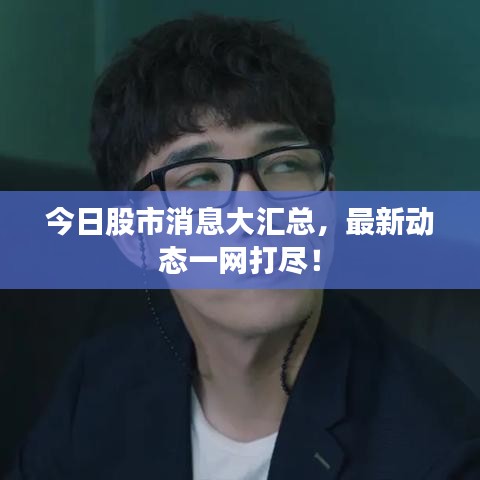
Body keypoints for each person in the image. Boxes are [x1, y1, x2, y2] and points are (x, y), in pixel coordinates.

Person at [8, 14, 480, 480]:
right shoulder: (99, 385)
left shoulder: (440, 450)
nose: (254, 211)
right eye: (199, 178)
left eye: (285, 165)